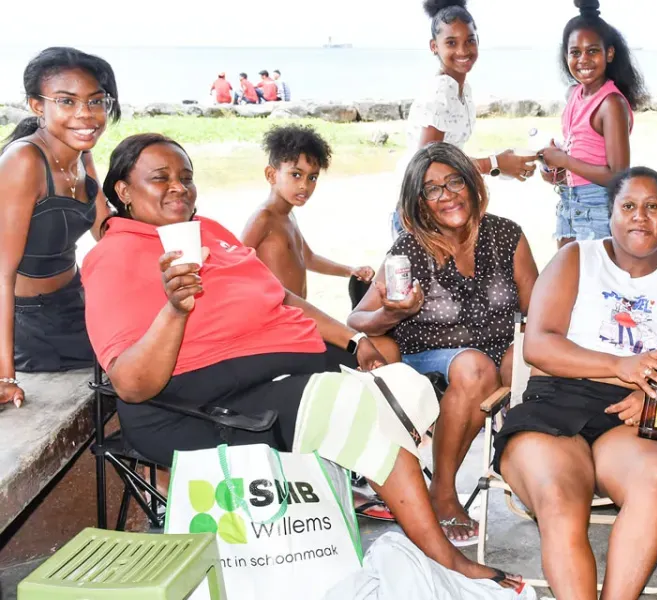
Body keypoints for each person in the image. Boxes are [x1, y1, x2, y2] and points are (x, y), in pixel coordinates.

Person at [82, 133, 522, 590]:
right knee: (360, 406)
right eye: (160, 179)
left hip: (271, 371)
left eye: (186, 178)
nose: (179, 188)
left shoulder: (208, 232)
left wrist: (353, 340)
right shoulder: (113, 257)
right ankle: (445, 554)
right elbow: (133, 385)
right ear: (123, 191)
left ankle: (401, 500)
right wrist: (175, 308)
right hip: (198, 403)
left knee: (389, 367)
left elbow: (282, 296)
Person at [493, 167, 657, 599]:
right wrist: (622, 364)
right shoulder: (577, 258)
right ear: (610, 214)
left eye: (653, 206)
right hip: (556, 400)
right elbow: (538, 346)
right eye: (628, 206)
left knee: (652, 482)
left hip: (635, 412)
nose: (640, 217)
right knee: (559, 498)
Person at [349, 142, 539, 547]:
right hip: (429, 359)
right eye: (433, 189)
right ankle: (444, 493)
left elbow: (538, 310)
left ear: (472, 184)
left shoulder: (507, 236)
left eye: (454, 181)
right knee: (474, 368)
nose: (447, 195)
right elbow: (358, 318)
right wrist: (392, 313)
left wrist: (520, 351)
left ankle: (530, 468)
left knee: (518, 359)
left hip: (495, 359)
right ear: (420, 201)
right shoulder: (410, 249)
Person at [0, 47, 120, 408]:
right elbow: (2, 274)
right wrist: (5, 375)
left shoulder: (81, 153)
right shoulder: (23, 161)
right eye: (67, 102)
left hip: (75, 300)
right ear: (38, 105)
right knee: (138, 367)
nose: (86, 114)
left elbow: (105, 230)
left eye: (96, 101)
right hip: (30, 325)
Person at [391, 0, 536, 240]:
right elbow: (429, 163)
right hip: (421, 210)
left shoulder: (461, 87)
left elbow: (449, 154)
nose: (463, 50)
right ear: (433, 47)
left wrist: (501, 162)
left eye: (470, 40)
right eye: (451, 43)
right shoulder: (441, 91)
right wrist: (495, 163)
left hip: (439, 201)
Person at [538, 0, 647, 248]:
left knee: (593, 283)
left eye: (592, 51)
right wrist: (555, 168)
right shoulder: (573, 94)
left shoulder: (611, 104)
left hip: (597, 208)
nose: (583, 59)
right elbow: (584, 154)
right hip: (568, 203)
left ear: (609, 53)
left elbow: (619, 176)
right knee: (568, 281)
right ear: (565, 55)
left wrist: (565, 161)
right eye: (575, 52)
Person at [241, 125, 374, 299]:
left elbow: (308, 258)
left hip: (298, 315)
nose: (305, 185)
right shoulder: (263, 218)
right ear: (271, 175)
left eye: (312, 177)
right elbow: (235, 264)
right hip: (276, 317)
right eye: (296, 175)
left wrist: (350, 270)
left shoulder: (288, 215)